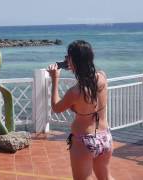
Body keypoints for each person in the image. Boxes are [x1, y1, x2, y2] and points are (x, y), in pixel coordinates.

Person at [47, 40, 114, 180]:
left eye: (68, 57)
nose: (66, 60)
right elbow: (90, 103)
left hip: (84, 141)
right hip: (105, 136)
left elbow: (56, 107)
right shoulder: (102, 76)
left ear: (74, 61)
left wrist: (55, 79)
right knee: (106, 177)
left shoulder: (75, 92)